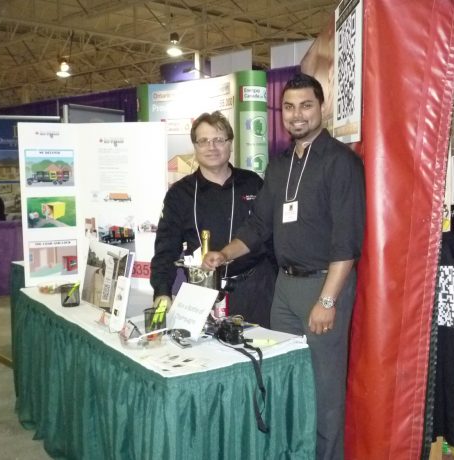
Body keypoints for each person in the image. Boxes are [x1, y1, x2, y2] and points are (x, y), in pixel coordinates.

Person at [203, 73, 365, 460]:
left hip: (325, 286)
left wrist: (327, 302)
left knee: (325, 389)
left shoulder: (341, 163)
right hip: (285, 288)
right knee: (285, 379)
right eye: (289, 107)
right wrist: (224, 254)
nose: (297, 115)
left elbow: (347, 242)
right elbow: (259, 226)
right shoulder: (278, 167)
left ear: (321, 108)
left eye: (306, 105)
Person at [150, 111, 276, 327]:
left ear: (230, 144)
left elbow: (270, 236)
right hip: (202, 295)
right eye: (203, 141)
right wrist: (162, 292)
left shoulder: (253, 183)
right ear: (195, 147)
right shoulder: (180, 194)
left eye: (218, 140)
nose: (212, 147)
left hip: (256, 291)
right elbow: (165, 249)